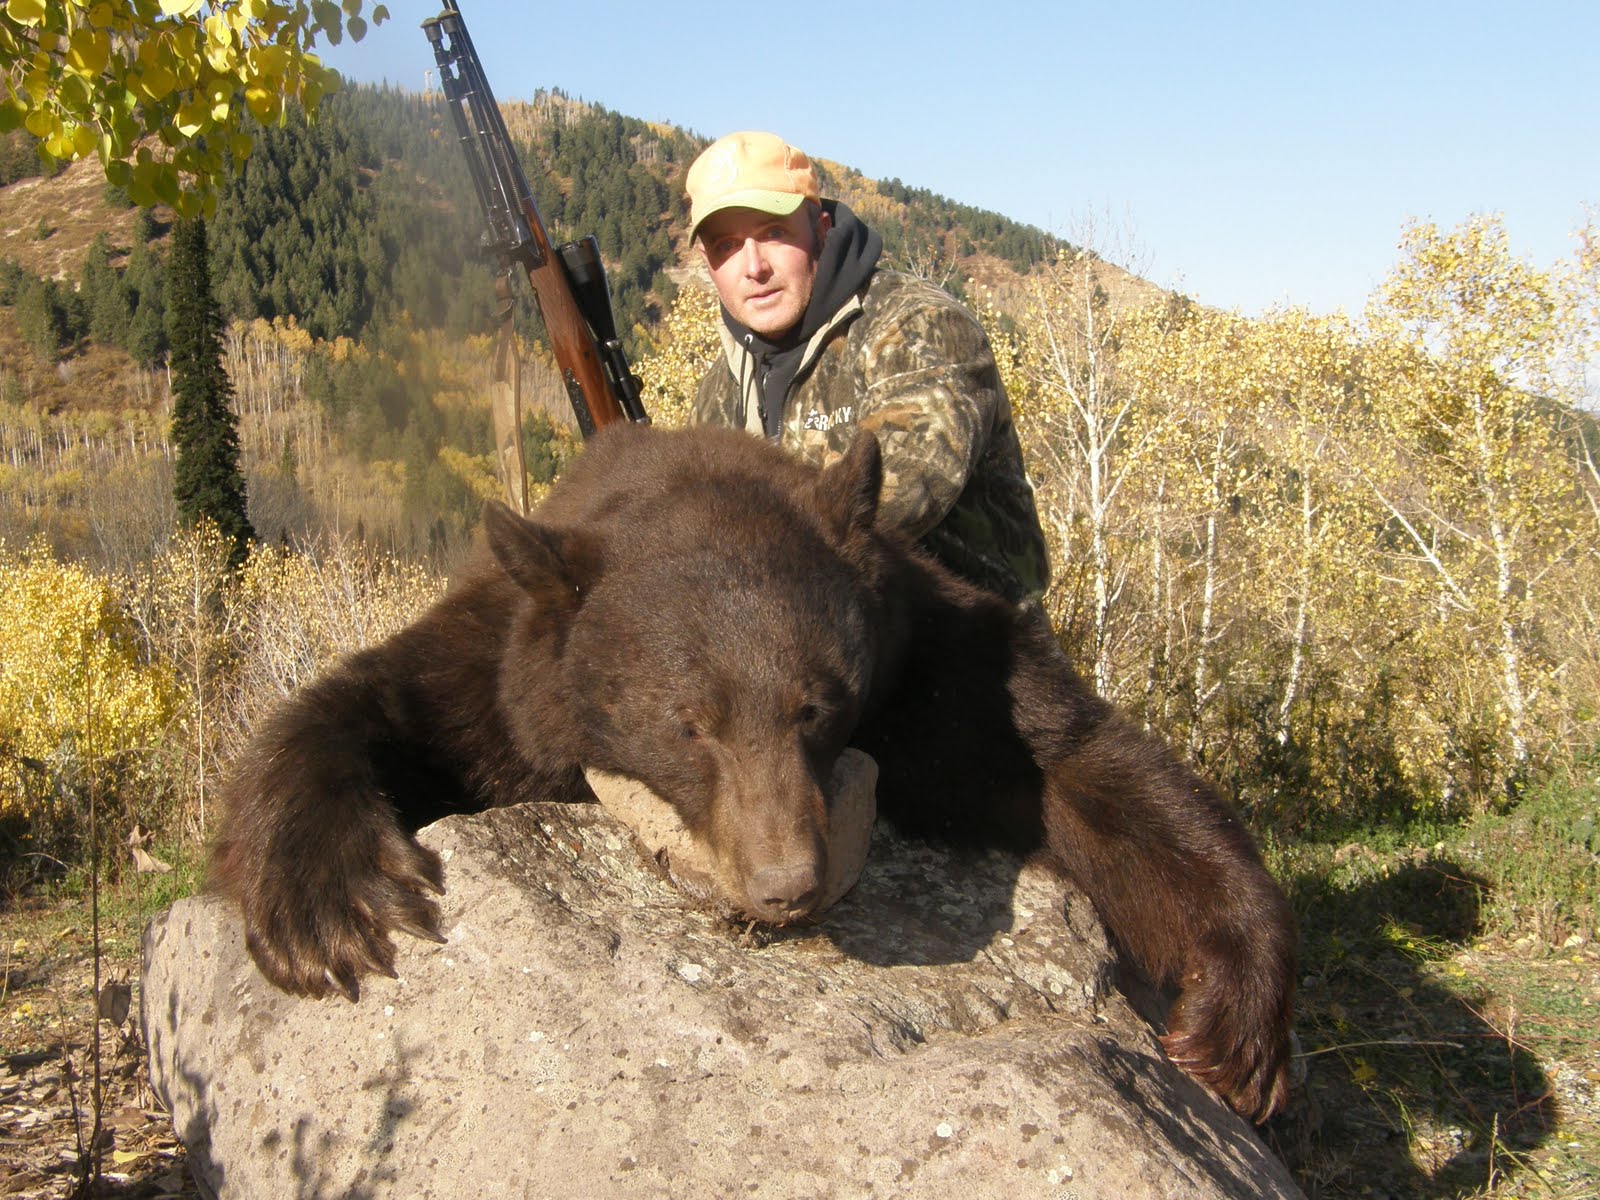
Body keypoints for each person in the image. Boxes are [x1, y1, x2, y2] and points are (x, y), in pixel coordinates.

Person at [685, 131, 1051, 606]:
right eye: (727, 246)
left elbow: (895, 497)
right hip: (814, 654)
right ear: (707, 262)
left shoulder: (919, 327)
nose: (753, 266)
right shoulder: (720, 388)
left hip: (971, 652)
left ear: (818, 227)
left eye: (774, 233)